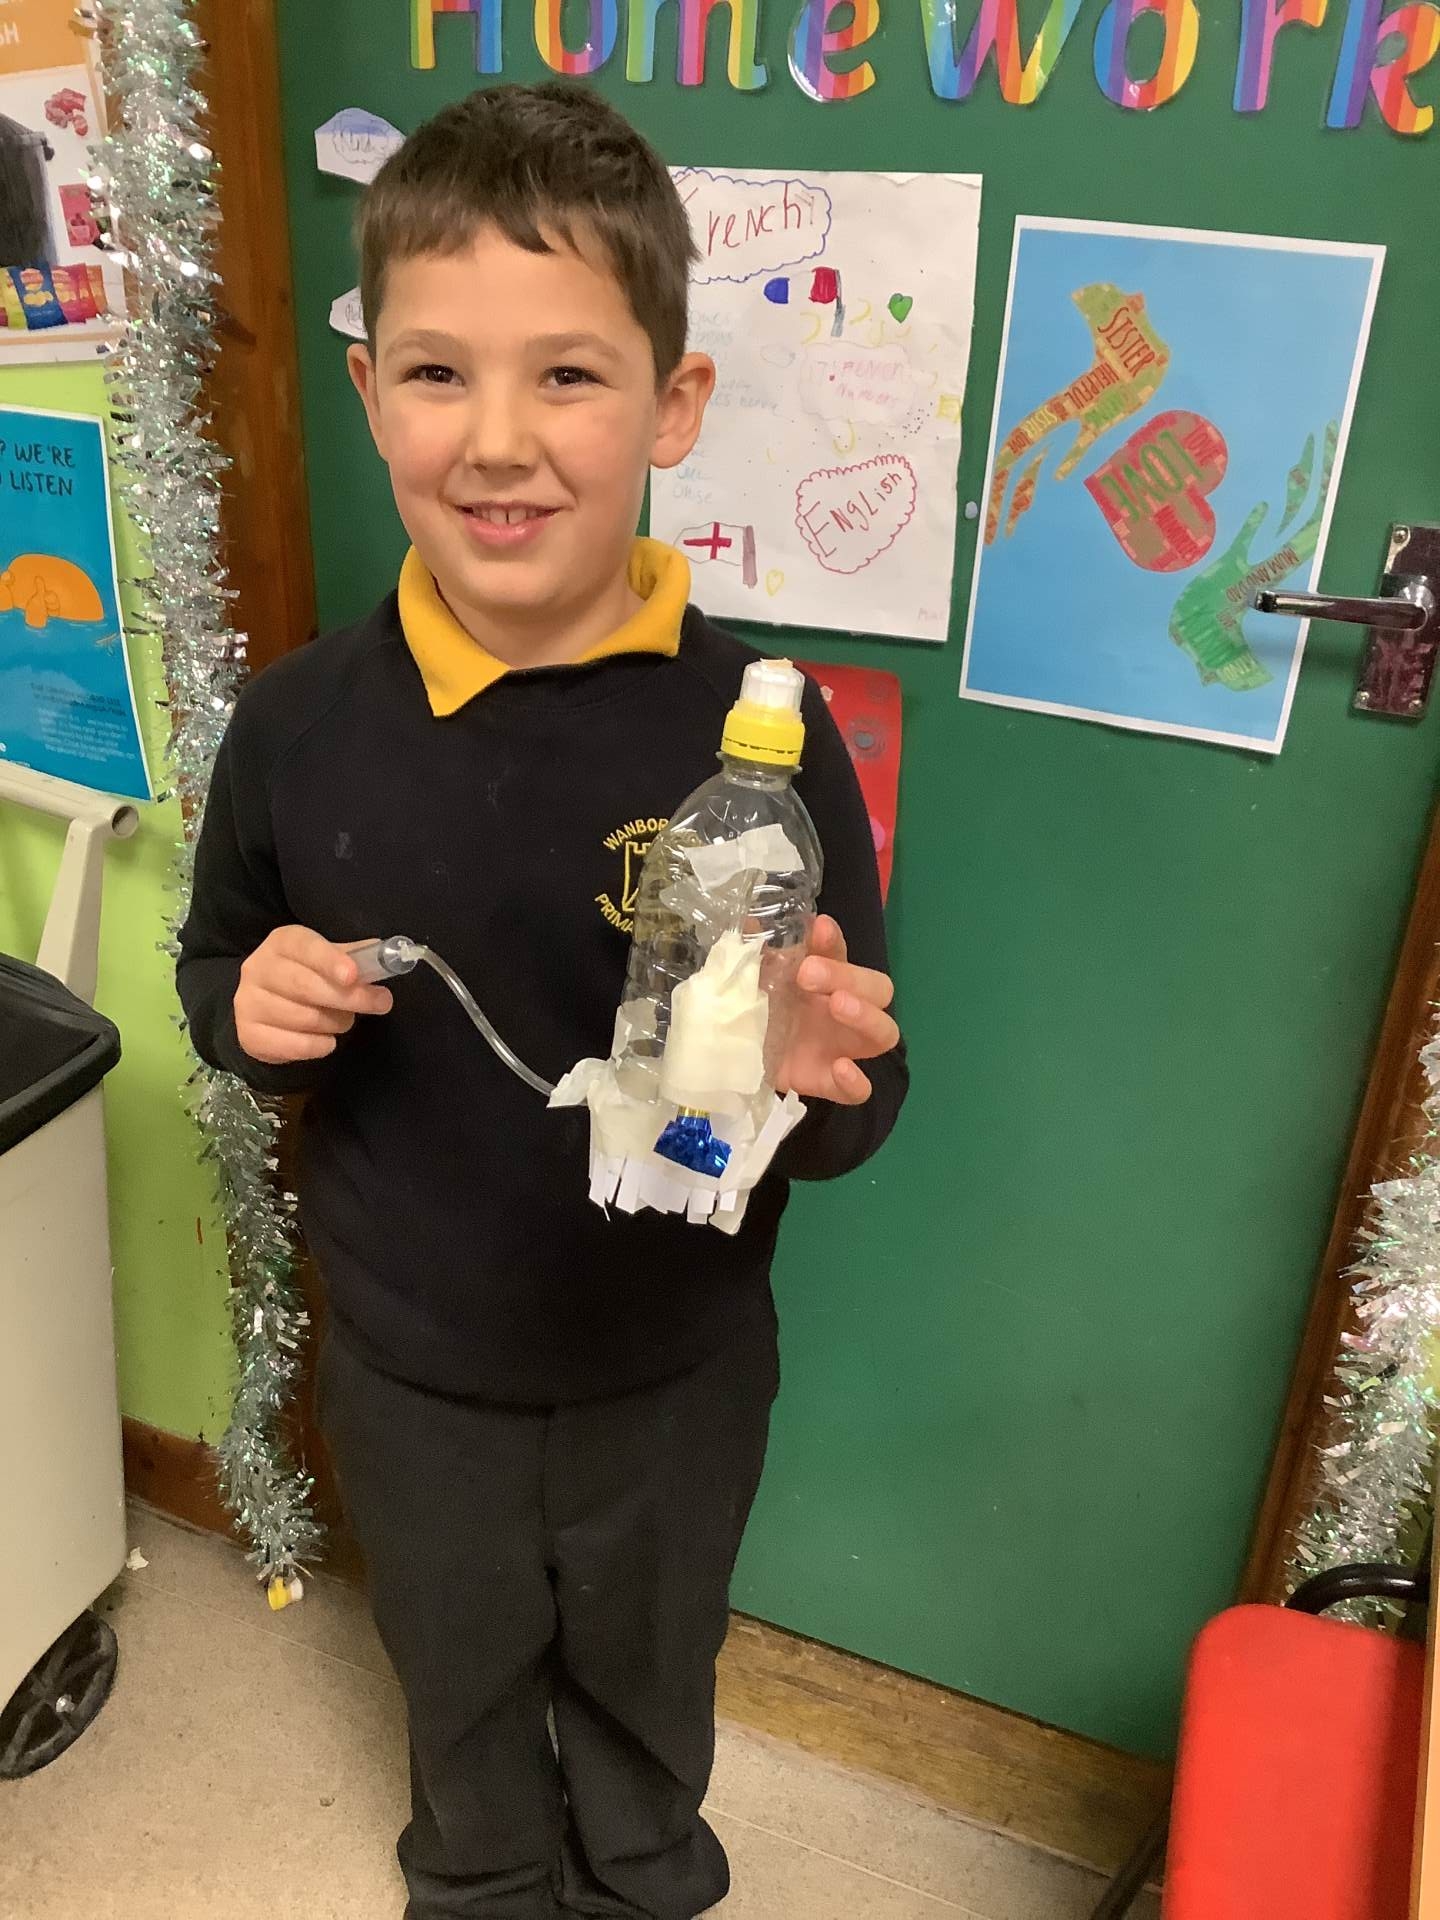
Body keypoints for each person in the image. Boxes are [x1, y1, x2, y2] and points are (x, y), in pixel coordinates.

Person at [176, 82, 908, 1920]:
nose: (497, 441)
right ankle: (487, 1870)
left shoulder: (761, 740)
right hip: (410, 1365)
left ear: (674, 403)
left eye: (568, 376)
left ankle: (645, 1859)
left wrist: (815, 1081)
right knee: (456, 1656)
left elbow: (857, 1100)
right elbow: (216, 970)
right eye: (438, 373)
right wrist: (247, 1006)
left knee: (655, 1651)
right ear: (370, 394)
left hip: (674, 1365)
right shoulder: (295, 727)